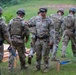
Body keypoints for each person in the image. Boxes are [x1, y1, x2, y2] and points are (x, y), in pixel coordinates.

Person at [29, 8, 54, 72]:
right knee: (38, 54)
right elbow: (31, 24)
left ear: (46, 12)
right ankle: (37, 67)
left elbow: (52, 31)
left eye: (43, 12)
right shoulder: (37, 19)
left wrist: (51, 41)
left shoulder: (49, 21)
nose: (42, 13)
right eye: (41, 12)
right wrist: (28, 24)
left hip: (45, 40)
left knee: (45, 55)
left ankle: (46, 67)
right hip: (38, 39)